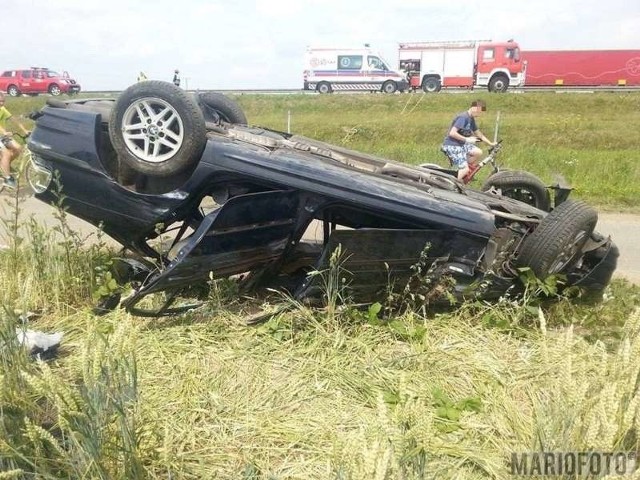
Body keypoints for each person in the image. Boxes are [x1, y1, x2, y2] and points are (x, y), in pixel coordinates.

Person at [441, 99, 496, 181]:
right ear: (474, 108)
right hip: (452, 145)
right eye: (479, 112)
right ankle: (452, 184)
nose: (479, 114)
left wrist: (490, 143)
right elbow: (452, 133)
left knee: (478, 152)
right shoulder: (463, 117)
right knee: (465, 169)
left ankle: (462, 171)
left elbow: (478, 133)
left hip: (461, 144)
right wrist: (466, 139)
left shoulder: (471, 119)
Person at [0, 93, 30, 189]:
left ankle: (4, 165)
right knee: (6, 154)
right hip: (2, 134)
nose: (2, 103)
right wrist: (4, 132)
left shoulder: (2, 109)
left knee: (18, 148)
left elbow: (14, 120)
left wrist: (24, 130)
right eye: (0, 101)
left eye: (3, 101)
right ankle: (7, 178)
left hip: (2, 136)